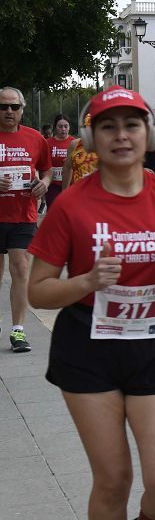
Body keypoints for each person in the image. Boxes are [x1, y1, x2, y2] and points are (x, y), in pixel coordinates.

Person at [27, 86, 155, 520]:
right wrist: (86, 281)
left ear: (148, 135)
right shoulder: (71, 204)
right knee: (113, 481)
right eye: (108, 126)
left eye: (131, 125)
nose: (121, 135)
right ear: (91, 140)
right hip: (88, 347)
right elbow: (38, 289)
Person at [0, 86, 52, 352]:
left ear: (22, 110)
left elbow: (46, 169)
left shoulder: (34, 138)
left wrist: (43, 182)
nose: (9, 111)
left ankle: (18, 331)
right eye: (3, 107)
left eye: (14, 107)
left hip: (23, 215)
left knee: (20, 269)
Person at [45, 114, 75, 209]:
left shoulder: (74, 143)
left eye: (66, 126)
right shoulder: (47, 143)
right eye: (60, 126)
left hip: (71, 184)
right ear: (55, 128)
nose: (63, 129)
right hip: (53, 185)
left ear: (69, 127)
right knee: (54, 210)